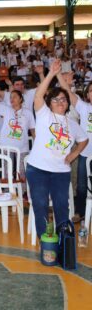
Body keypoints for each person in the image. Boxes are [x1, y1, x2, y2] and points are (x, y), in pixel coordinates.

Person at [26, 60, 88, 238]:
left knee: (62, 206)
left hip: (61, 172)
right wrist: (51, 74)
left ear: (68, 103)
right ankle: (44, 241)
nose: (60, 102)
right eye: (56, 99)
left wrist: (73, 154)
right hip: (37, 170)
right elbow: (38, 96)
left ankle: (62, 240)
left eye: (63, 99)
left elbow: (84, 140)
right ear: (50, 103)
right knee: (40, 205)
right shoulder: (44, 114)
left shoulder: (73, 124)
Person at [0, 76, 35, 183]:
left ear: (21, 99)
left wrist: (36, 146)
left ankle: (22, 193)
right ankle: (8, 193)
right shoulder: (6, 109)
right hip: (6, 147)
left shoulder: (28, 113)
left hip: (22, 148)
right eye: (10, 97)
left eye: (14, 97)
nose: (11, 99)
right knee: (7, 173)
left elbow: (33, 130)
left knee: (22, 173)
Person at [58, 77, 92, 223]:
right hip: (85, 154)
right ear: (87, 94)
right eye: (91, 90)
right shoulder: (84, 107)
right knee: (82, 186)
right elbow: (66, 90)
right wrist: (59, 74)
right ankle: (80, 212)